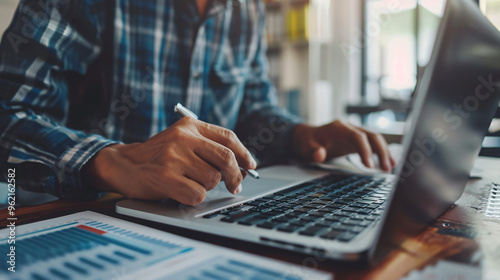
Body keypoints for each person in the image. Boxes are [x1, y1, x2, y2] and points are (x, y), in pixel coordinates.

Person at [0, 0, 395, 206]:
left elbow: (253, 111)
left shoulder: (248, 9)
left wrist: (299, 135)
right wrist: (110, 161)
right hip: (88, 219)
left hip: (202, 213)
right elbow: (7, 115)